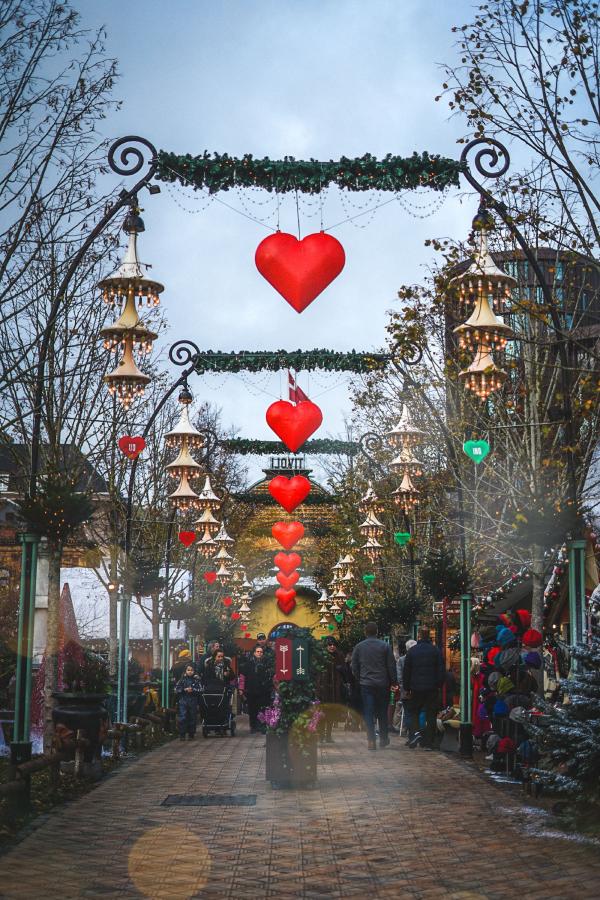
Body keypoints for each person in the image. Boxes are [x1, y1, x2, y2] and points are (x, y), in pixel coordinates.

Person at [351, 622, 398, 751]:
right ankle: (383, 738)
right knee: (382, 711)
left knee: (368, 712)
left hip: (366, 684)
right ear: (377, 632)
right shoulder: (385, 646)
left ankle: (371, 740)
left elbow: (354, 666)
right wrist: (393, 681)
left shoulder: (359, 647)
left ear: (365, 632)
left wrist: (360, 678)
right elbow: (391, 666)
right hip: (382, 684)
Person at [403, 627, 445, 750]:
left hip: (415, 688)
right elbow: (440, 670)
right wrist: (439, 685)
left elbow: (407, 670)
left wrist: (407, 687)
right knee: (430, 715)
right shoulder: (435, 651)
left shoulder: (412, 651)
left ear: (419, 636)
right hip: (431, 687)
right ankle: (429, 742)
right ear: (429, 636)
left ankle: (415, 734)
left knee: (414, 712)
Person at [316, 637, 346, 743]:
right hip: (322, 689)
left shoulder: (340, 656)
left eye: (334, 644)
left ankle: (328, 735)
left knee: (331, 713)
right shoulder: (320, 656)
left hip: (335, 689)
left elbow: (344, 670)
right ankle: (320, 735)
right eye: (329, 644)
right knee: (322, 713)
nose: (332, 646)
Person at [240, 645, 272, 733]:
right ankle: (253, 726)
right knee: (252, 709)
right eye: (258, 652)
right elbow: (243, 677)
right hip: (251, 690)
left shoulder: (267, 664)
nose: (259, 653)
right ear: (254, 653)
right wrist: (241, 689)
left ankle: (262, 727)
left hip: (263, 690)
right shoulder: (248, 664)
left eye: (261, 652)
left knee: (263, 709)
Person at [174, 663, 202, 741]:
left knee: (192, 717)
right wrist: (184, 690)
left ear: (194, 671)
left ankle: (191, 733)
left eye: (192, 670)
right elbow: (176, 689)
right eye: (188, 670)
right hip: (183, 700)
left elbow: (201, 689)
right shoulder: (182, 680)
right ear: (185, 671)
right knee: (182, 717)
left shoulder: (197, 680)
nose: (190, 672)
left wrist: (193, 690)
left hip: (193, 701)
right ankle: (182, 734)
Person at [396, 639, 417, 738]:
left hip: (406, 691)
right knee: (415, 712)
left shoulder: (402, 660)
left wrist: (404, 688)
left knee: (408, 713)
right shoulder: (403, 660)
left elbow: (399, 677)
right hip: (417, 690)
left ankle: (412, 734)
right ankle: (415, 733)